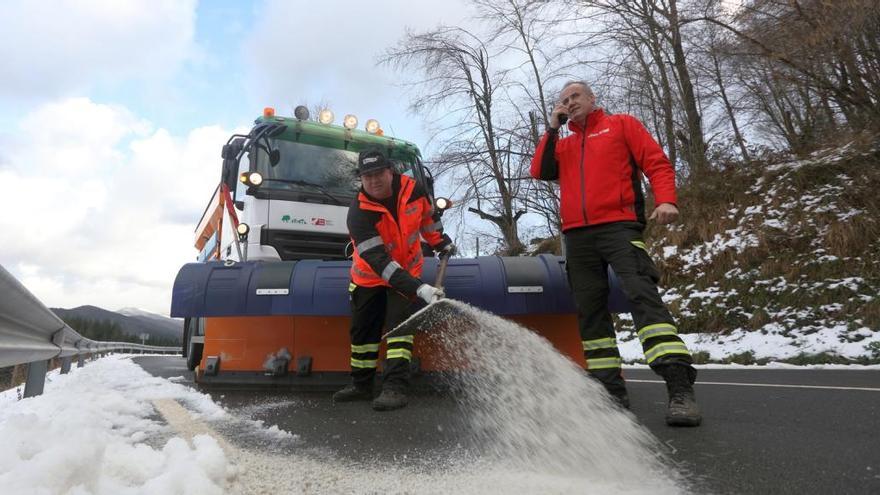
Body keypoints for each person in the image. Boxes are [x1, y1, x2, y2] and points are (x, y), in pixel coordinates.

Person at [530, 80, 701, 426]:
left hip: (619, 227)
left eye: (576, 96)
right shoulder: (563, 144)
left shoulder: (621, 125)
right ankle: (609, 393)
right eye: (563, 100)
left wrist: (667, 198)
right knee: (590, 311)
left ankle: (679, 387)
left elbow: (657, 162)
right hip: (577, 237)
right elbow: (540, 170)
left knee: (641, 295)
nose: (570, 102)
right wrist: (551, 128)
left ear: (593, 99)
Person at [333, 149, 456, 411]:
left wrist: (439, 242)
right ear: (361, 180)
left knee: (400, 330)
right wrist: (420, 289)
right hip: (369, 278)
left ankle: (395, 388)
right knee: (363, 334)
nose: (374, 180)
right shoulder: (359, 213)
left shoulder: (415, 190)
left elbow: (429, 220)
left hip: (408, 271)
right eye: (367, 176)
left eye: (378, 173)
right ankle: (361, 386)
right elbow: (379, 262)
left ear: (391, 172)